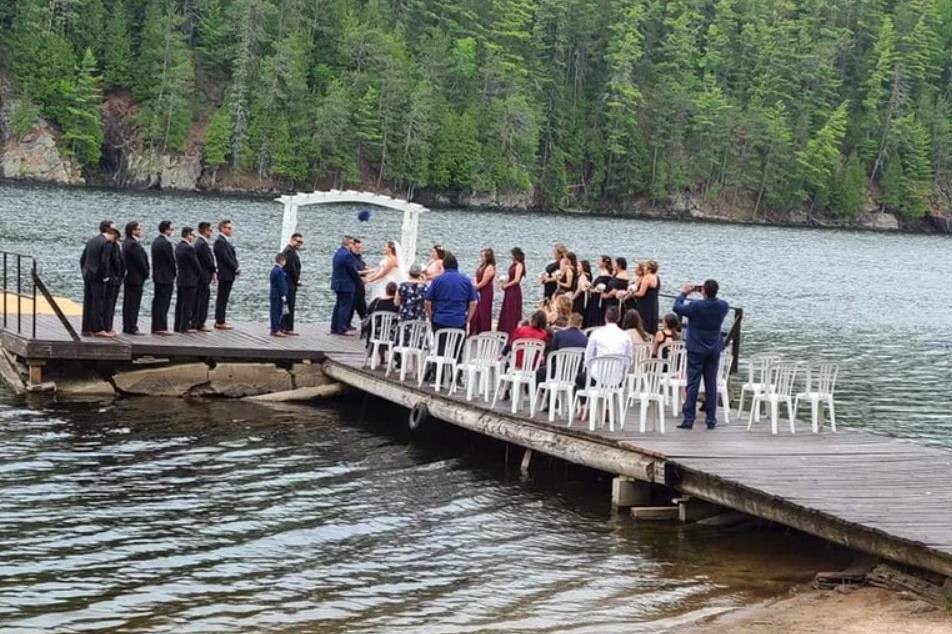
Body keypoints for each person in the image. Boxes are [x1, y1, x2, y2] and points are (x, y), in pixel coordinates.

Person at [673, 280, 730, 430]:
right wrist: (705, 292)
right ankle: (711, 419)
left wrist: (684, 293)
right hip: (713, 348)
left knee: (693, 383)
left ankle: (689, 419)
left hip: (696, 348)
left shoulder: (696, 306)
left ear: (703, 291)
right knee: (711, 384)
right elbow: (714, 304)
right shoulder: (723, 306)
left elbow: (677, 307)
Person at [425, 251, 477, 351]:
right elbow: (473, 302)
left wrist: (431, 315)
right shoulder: (466, 280)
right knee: (457, 350)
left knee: (440, 348)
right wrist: (468, 318)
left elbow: (427, 301)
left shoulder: (438, 280)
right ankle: (455, 364)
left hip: (440, 320)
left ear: (444, 266)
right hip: (459, 321)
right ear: (457, 266)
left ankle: (438, 364)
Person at [79, 220, 114, 337]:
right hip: (98, 275)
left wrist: (84, 271)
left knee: (88, 301)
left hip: (88, 273)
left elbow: (83, 259)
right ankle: (98, 328)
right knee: (98, 302)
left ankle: (86, 328)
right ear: (108, 229)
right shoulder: (107, 243)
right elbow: (104, 262)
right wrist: (106, 276)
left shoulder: (92, 241)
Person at [584, 306, 632, 380]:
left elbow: (588, 356)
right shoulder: (626, 336)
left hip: (597, 376)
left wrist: (590, 367)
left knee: (579, 379)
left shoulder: (596, 333)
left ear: (605, 317)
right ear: (619, 318)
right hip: (616, 378)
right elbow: (629, 359)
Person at [121, 221, 149, 335]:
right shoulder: (133, 244)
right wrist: (146, 272)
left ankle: (127, 325)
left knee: (128, 302)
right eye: (138, 229)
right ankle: (132, 326)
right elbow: (140, 262)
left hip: (130, 277)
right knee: (133, 303)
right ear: (133, 231)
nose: (140, 231)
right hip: (135, 277)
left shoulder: (126, 242)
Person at [330, 236, 362, 335]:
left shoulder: (338, 252)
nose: (353, 245)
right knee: (345, 307)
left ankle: (334, 327)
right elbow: (352, 271)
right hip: (346, 284)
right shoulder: (347, 255)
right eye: (352, 243)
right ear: (348, 244)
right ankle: (341, 328)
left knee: (338, 305)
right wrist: (359, 281)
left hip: (338, 283)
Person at [150, 220, 176, 335]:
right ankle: (161, 326)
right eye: (171, 229)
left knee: (157, 301)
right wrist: (175, 273)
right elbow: (171, 261)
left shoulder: (156, 241)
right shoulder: (166, 243)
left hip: (157, 276)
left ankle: (155, 326)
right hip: (166, 276)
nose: (172, 231)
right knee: (164, 302)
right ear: (167, 230)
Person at [173, 227, 200, 333]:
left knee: (180, 303)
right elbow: (195, 264)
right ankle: (184, 326)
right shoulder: (189, 248)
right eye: (192, 235)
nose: (193, 237)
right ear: (188, 235)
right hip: (190, 280)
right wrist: (199, 273)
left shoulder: (179, 246)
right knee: (188, 304)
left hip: (181, 278)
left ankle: (178, 325)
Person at [213, 219, 239, 330]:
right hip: (224, 273)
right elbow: (225, 258)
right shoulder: (220, 241)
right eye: (228, 228)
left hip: (228, 273)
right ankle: (219, 321)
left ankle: (221, 319)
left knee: (224, 297)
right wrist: (235, 267)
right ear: (222, 228)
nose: (230, 230)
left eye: (230, 228)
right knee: (222, 297)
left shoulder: (225, 241)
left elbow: (231, 256)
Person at [193, 221, 216, 332]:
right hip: (203, 276)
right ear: (205, 231)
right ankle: (200, 322)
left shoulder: (200, 242)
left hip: (201, 276)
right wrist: (214, 271)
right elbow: (208, 261)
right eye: (210, 230)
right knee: (203, 300)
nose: (211, 232)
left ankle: (197, 321)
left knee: (200, 299)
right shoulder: (202, 244)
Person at [497, 247, 525, 337]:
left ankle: (511, 331)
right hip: (509, 290)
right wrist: (503, 283)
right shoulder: (513, 265)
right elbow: (510, 277)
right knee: (506, 309)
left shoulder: (519, 265)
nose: (511, 257)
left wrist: (507, 285)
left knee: (512, 310)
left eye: (512, 255)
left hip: (514, 290)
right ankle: (504, 330)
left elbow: (516, 280)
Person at [281, 232, 304, 335]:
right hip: (289, 283)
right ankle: (287, 328)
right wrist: (297, 281)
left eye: (301, 242)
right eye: (298, 241)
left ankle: (285, 327)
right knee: (289, 305)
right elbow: (292, 269)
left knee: (288, 306)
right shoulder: (289, 252)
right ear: (292, 240)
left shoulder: (290, 251)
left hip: (289, 282)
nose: (299, 244)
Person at [103, 228, 124, 335]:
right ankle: (107, 326)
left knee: (110, 303)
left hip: (114, 278)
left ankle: (108, 326)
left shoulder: (112, 246)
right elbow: (114, 261)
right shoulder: (111, 246)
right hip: (112, 278)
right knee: (109, 303)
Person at [470, 248, 496, 334]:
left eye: (482, 256)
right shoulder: (482, 265)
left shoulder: (490, 267)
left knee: (483, 311)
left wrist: (474, 288)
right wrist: (473, 283)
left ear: (487, 257)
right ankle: (474, 329)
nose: (481, 257)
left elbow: (484, 282)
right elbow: (476, 276)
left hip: (485, 292)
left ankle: (483, 330)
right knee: (476, 310)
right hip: (478, 289)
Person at [633, 259, 661, 334]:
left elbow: (641, 293)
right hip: (654, 303)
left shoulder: (647, 277)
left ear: (649, 269)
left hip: (644, 304)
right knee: (652, 321)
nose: (644, 268)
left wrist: (632, 293)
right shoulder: (657, 277)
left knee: (644, 322)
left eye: (645, 267)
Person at [585, 256, 613, 328]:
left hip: (598, 298)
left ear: (604, 263)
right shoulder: (601, 273)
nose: (597, 262)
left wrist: (593, 289)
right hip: (595, 297)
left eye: (599, 261)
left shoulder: (606, 275)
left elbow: (602, 288)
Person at [349, 238, 368, 330]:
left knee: (361, 305)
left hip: (360, 285)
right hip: (355, 284)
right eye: (357, 248)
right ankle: (365, 322)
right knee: (354, 306)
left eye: (360, 248)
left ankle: (365, 322)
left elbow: (363, 266)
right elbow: (354, 271)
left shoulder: (358, 257)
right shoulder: (350, 257)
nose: (359, 250)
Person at [269, 253, 290, 337]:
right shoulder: (279, 271)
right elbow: (281, 284)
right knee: (276, 312)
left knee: (276, 312)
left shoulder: (275, 269)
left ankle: (275, 328)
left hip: (274, 294)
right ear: (282, 261)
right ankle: (275, 329)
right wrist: (283, 295)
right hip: (277, 295)